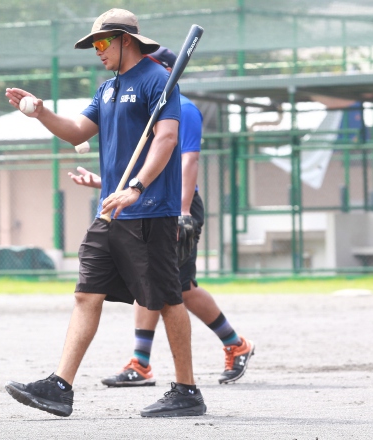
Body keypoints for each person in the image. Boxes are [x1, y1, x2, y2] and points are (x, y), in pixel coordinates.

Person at [3, 9, 206, 418]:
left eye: (101, 43)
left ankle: (187, 390)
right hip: (111, 213)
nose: (97, 51)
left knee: (168, 299)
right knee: (85, 293)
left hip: (150, 212)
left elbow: (166, 140)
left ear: (124, 40)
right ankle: (60, 386)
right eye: (93, 45)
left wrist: (136, 187)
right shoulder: (108, 88)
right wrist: (42, 112)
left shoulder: (158, 82)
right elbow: (77, 131)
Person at [71, 47, 255, 389]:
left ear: (164, 71)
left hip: (174, 206)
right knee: (163, 288)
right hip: (143, 202)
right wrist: (105, 183)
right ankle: (146, 361)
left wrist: (183, 213)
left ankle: (231, 344)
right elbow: (145, 159)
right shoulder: (137, 100)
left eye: (151, 63)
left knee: (176, 289)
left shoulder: (181, 107)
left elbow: (186, 162)